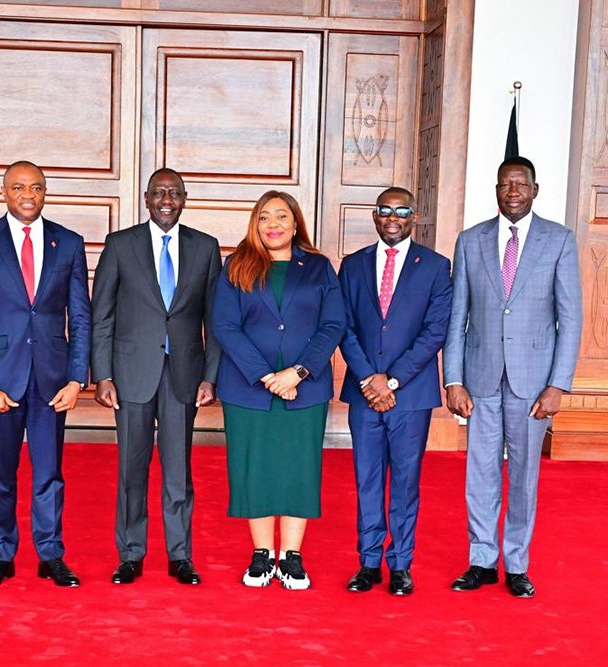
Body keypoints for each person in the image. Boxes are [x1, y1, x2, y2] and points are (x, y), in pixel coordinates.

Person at [443, 156, 582, 598]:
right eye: (506, 184)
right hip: (480, 379)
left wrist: (558, 383)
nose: (514, 191)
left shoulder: (559, 240)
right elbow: (457, 316)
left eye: (521, 184)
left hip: (535, 384)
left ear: (535, 190)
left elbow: (570, 318)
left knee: (523, 477)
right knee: (479, 474)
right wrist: (453, 379)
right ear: (497, 190)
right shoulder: (470, 241)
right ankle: (481, 561)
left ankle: (516, 564)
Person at [0, 161, 91, 588]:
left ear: (45, 191)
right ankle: (2, 554)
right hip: (1, 379)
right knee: (0, 472)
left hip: (53, 379)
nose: (28, 194)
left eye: (35, 187)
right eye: (18, 187)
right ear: (3, 192)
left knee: (49, 472)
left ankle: (50, 554)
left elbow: (81, 316)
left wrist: (76, 378)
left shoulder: (67, 243)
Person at [91, 168, 221, 586]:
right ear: (146, 198)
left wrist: (210, 376)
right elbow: (102, 316)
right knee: (132, 467)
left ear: (185, 198)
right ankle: (131, 554)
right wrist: (103, 374)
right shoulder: (120, 244)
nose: (167, 200)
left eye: (174, 193)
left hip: (184, 373)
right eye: (159, 193)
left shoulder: (205, 248)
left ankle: (180, 555)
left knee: (178, 470)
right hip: (130, 374)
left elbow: (214, 320)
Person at [211, 191, 345, 590]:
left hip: (306, 388)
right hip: (249, 390)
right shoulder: (236, 265)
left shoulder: (319, 268)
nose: (274, 224)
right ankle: (261, 555)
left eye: (282, 216)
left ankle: (291, 556)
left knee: (298, 469)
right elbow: (225, 325)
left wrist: (297, 373)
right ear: (256, 224)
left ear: (295, 222)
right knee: (254, 468)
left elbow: (333, 325)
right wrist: (268, 377)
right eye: (265, 217)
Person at [338, 187, 452, 595]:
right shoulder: (352, 266)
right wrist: (370, 378)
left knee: (405, 480)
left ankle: (401, 563)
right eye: (384, 210)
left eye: (401, 210)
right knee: (367, 478)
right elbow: (343, 325)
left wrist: (393, 379)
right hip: (364, 392)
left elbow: (435, 330)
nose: (392, 217)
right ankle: (368, 562)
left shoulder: (436, 267)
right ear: (374, 216)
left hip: (411, 394)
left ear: (413, 217)